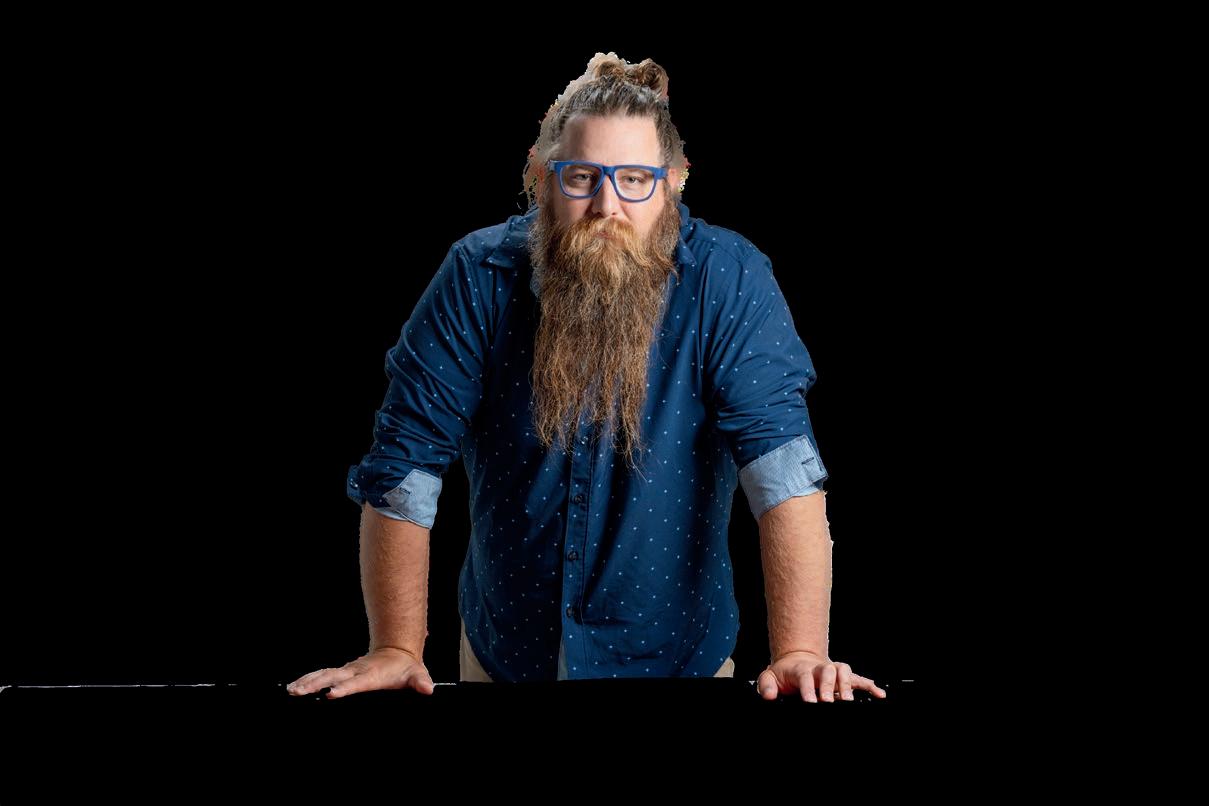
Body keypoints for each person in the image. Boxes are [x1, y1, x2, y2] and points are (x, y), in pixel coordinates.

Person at [287, 52, 886, 703]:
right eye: (581, 177)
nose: (607, 205)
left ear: (673, 182)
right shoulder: (475, 274)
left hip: (679, 664)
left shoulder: (729, 278)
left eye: (634, 179)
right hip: (504, 658)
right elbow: (407, 464)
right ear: (542, 178)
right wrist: (396, 647)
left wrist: (800, 651)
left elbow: (781, 472)